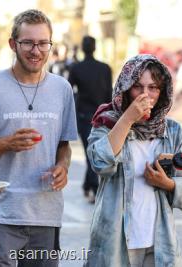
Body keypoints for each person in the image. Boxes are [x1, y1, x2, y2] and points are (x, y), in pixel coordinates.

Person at [0, 9, 77, 267]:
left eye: (43, 43)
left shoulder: (62, 89)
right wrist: (6, 144)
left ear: (50, 45)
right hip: (0, 215)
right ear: (13, 44)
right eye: (28, 42)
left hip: (46, 216)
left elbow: (64, 146)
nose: (36, 50)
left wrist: (63, 166)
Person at [84, 54, 182, 266]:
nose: (145, 94)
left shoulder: (173, 131)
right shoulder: (106, 124)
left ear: (162, 91)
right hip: (115, 244)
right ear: (125, 88)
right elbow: (100, 164)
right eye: (137, 86)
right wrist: (128, 118)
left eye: (153, 87)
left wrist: (168, 184)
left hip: (158, 244)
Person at [68, 35, 112, 203]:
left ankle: (90, 186)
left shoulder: (76, 68)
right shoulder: (105, 68)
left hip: (84, 116)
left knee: (91, 152)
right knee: (95, 152)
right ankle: (91, 186)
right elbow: (109, 93)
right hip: (102, 116)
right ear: (94, 48)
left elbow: (69, 91)